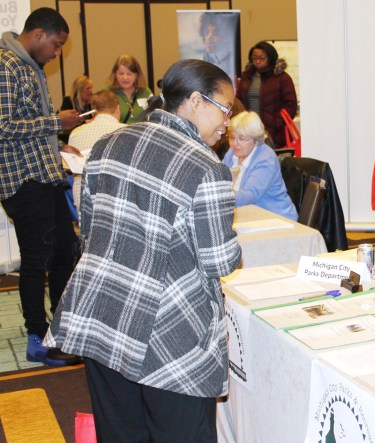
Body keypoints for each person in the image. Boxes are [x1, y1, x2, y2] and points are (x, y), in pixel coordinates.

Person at [44, 59, 242, 441]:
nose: (226, 123)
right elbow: (219, 260)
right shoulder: (205, 166)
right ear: (196, 102)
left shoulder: (108, 143)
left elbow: (89, 228)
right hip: (169, 330)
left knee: (120, 432)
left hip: (103, 316)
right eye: (225, 109)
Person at [0, 7, 84, 366]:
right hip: (23, 180)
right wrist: (55, 122)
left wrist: (58, 143)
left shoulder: (29, 67)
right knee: (36, 259)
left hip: (45, 174)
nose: (57, 52)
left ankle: (60, 330)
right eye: (56, 44)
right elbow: (3, 126)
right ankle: (37, 335)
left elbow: (27, 124)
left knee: (66, 251)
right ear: (37, 35)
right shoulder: (6, 66)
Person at [222, 111, 298, 220]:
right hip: (247, 218)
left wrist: (220, 196)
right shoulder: (232, 153)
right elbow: (219, 179)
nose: (235, 143)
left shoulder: (266, 158)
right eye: (232, 137)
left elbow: (250, 195)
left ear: (256, 141)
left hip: (276, 220)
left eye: (242, 139)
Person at [68, 90, 126, 209]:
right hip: (116, 194)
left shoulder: (76, 133)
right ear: (117, 109)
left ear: (94, 111)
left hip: (83, 194)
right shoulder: (127, 132)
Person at [236, 41, 297, 147]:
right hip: (249, 128)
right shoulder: (246, 77)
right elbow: (239, 101)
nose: (257, 61)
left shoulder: (282, 78)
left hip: (274, 132)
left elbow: (291, 105)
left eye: (261, 58)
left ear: (270, 58)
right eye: (255, 58)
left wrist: (276, 123)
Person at [106, 54, 153, 124]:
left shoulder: (145, 92)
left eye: (129, 74)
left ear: (137, 75)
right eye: (121, 74)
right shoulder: (107, 93)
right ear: (115, 74)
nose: (125, 78)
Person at [59, 74, 93, 142]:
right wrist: (85, 122)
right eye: (88, 88)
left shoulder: (90, 104)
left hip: (85, 137)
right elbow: (66, 124)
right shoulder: (68, 101)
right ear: (79, 89)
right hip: (70, 137)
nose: (91, 91)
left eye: (91, 88)